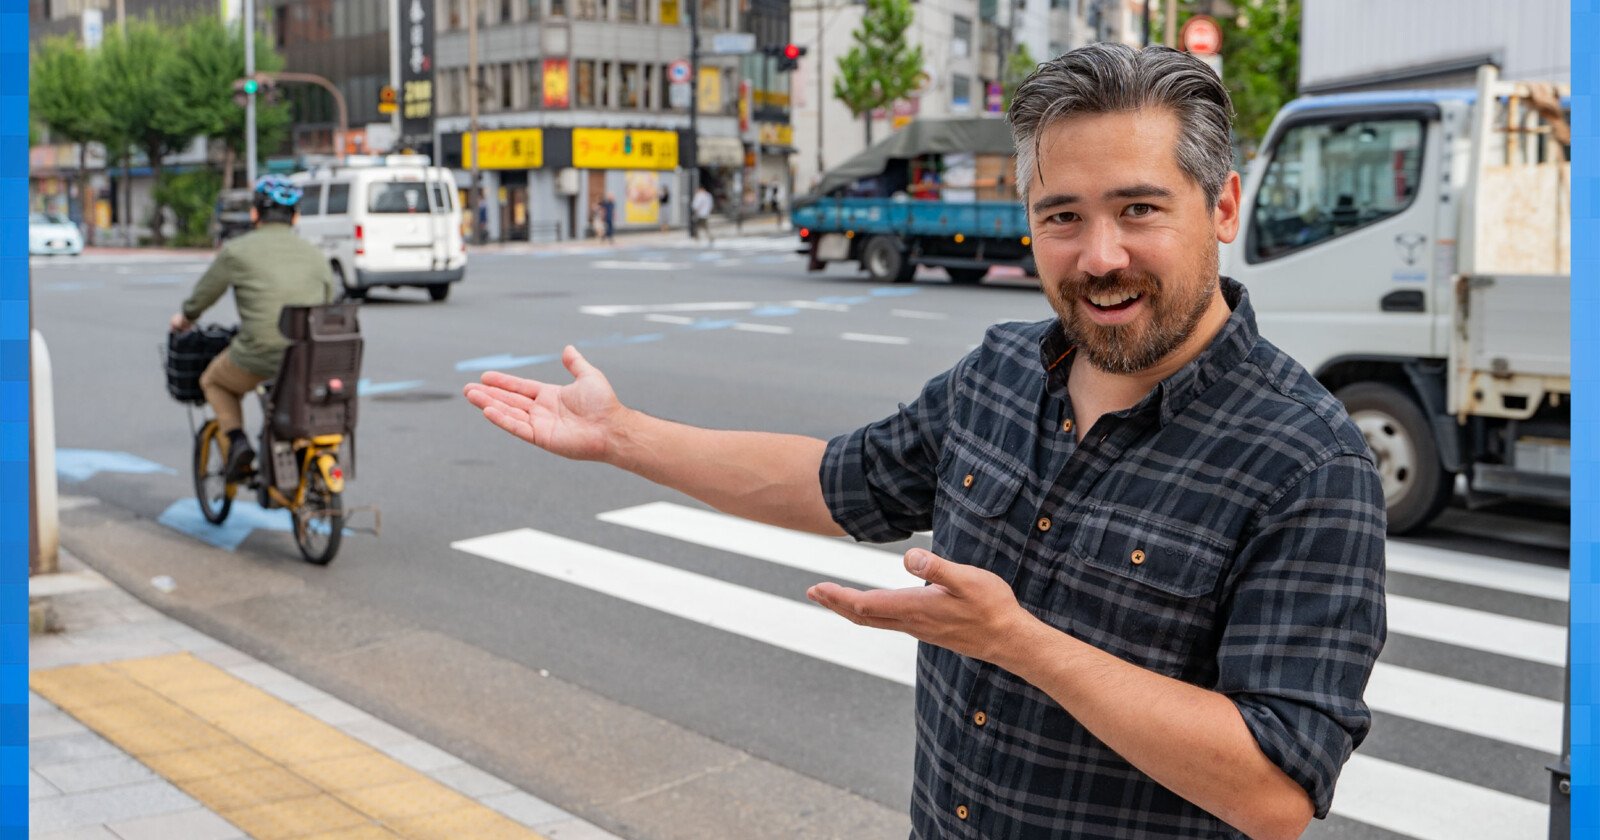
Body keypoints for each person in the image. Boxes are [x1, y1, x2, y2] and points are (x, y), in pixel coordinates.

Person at [463, 43, 1385, 840]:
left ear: (1222, 209)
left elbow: (1276, 794)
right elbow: (835, 480)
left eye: (1139, 210)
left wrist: (1019, 643)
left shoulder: (1308, 463)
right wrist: (622, 435)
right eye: (1062, 216)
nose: (1098, 255)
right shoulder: (1002, 370)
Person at [171, 175, 335, 480]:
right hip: (308, 361)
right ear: (296, 217)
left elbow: (201, 299)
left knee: (214, 382)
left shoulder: (237, 251)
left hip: (259, 356)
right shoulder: (316, 256)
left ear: (254, 214)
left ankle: (236, 442)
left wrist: (184, 320)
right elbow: (330, 303)